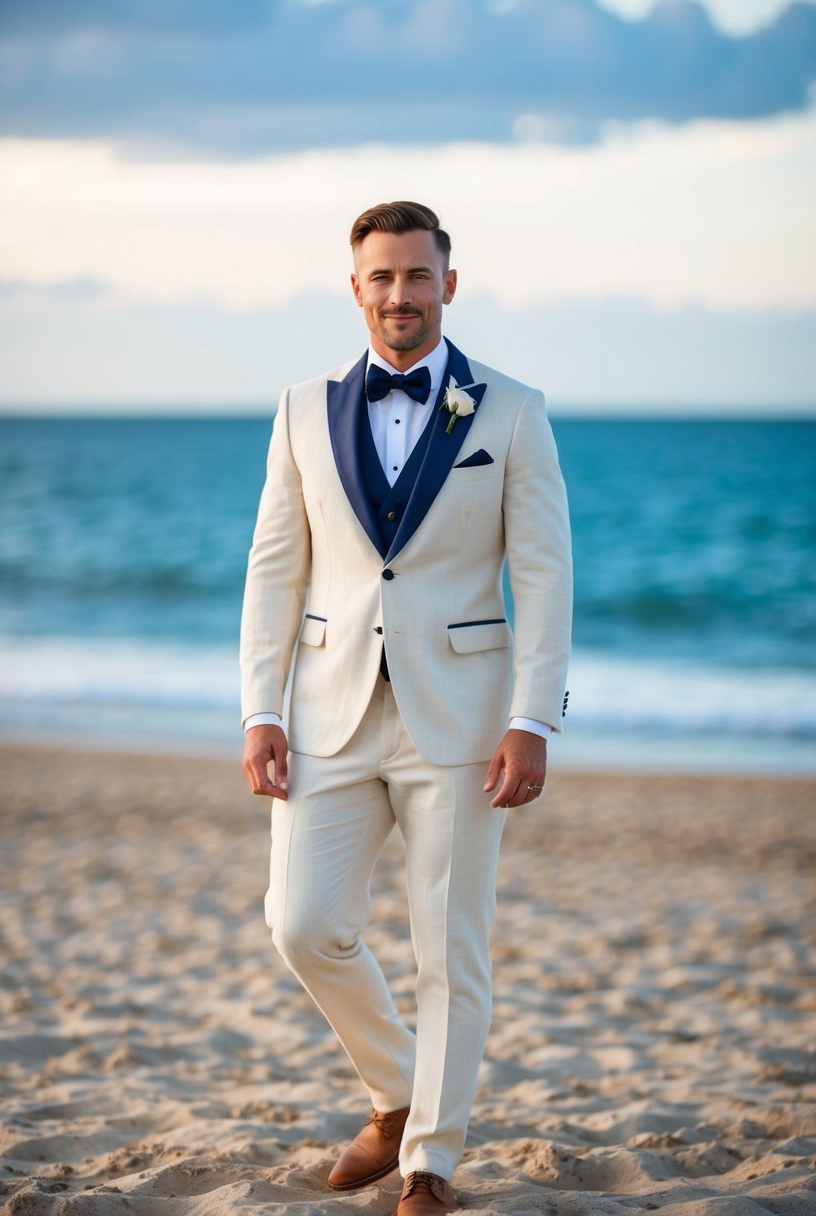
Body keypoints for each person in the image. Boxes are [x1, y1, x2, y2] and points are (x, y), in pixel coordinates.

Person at [240, 200, 572, 1215]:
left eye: (416, 276)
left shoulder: (511, 409)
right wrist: (260, 706)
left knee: (448, 944)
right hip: (327, 705)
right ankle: (395, 1092)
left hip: (464, 717)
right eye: (380, 278)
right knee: (300, 924)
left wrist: (534, 716)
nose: (398, 295)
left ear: (448, 285)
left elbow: (545, 571)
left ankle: (429, 1159)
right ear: (356, 289)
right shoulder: (302, 406)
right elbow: (273, 566)